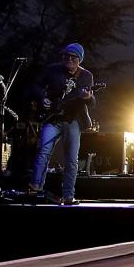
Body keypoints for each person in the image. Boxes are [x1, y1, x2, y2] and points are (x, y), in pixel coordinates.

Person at [27, 43, 96, 205]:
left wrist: (87, 97)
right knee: (43, 151)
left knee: (71, 159)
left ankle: (68, 196)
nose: (69, 60)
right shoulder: (52, 70)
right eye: (66, 56)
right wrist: (42, 98)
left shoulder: (86, 76)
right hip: (52, 119)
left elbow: (92, 101)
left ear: (80, 60)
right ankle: (35, 187)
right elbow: (36, 85)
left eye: (73, 57)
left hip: (73, 120)